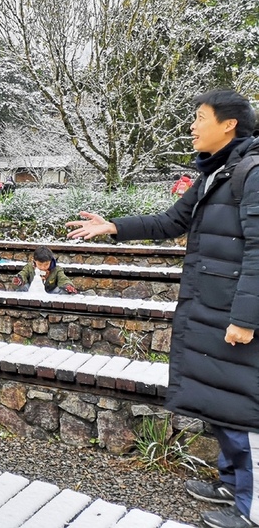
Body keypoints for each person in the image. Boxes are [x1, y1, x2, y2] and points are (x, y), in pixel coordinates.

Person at [67, 90, 259, 528]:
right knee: (221, 401)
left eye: (200, 117)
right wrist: (112, 226)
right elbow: (172, 222)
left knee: (247, 410)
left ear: (228, 124)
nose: (192, 126)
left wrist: (246, 319)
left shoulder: (252, 172)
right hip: (211, 307)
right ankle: (232, 483)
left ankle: (253, 511)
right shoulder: (220, 173)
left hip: (235, 315)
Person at [11, 245, 78, 294]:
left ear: (51, 261)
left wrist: (67, 285)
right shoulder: (29, 267)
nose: (43, 267)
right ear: (34, 261)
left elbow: (63, 279)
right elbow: (23, 273)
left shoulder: (56, 270)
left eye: (46, 264)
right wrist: (19, 279)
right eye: (40, 265)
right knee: (23, 287)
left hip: (51, 293)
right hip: (32, 292)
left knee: (61, 291)